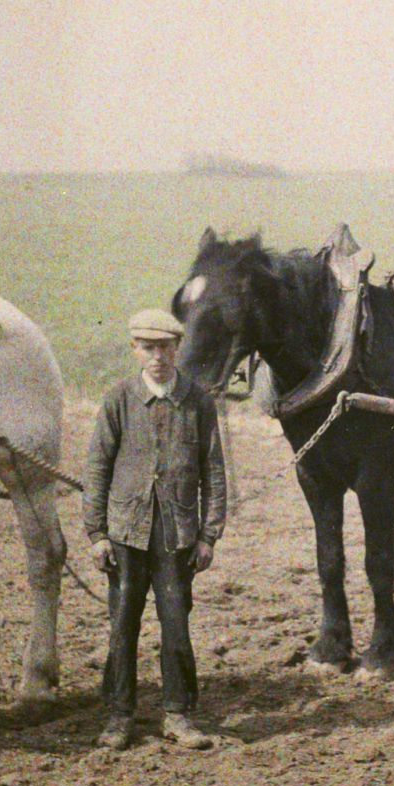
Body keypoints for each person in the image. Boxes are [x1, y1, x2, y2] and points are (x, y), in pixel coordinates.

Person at [82, 308, 228, 751]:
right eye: (148, 348)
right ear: (135, 351)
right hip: (126, 532)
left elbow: (214, 472)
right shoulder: (118, 400)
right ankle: (119, 716)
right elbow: (96, 469)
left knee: (175, 625)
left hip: (177, 536)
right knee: (122, 624)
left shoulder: (197, 402)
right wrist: (97, 534)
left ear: (177, 349)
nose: (157, 357)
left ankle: (178, 715)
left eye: (164, 347)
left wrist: (208, 535)